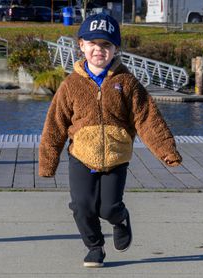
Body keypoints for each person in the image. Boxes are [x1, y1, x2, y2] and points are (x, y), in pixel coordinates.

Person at [39, 13, 182, 268]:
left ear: (116, 48)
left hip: (116, 157)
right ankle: (94, 247)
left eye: (106, 45)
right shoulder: (70, 85)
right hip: (81, 155)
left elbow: (147, 118)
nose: (99, 50)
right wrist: (48, 162)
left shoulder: (127, 83)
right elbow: (55, 125)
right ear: (81, 45)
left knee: (108, 208)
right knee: (82, 206)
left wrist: (166, 150)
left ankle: (121, 219)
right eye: (92, 43)